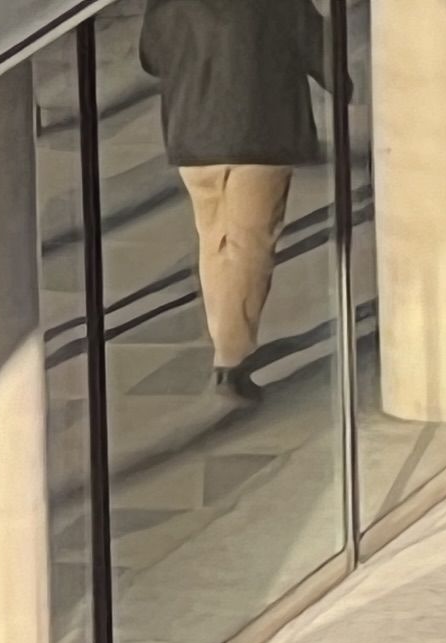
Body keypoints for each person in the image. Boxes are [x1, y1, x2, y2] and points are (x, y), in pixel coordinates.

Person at [137, 0, 324, 404]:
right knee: (249, 248)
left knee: (215, 242)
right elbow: (319, 49)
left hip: (192, 134)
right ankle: (231, 360)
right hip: (260, 133)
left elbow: (152, 56)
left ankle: (226, 341)